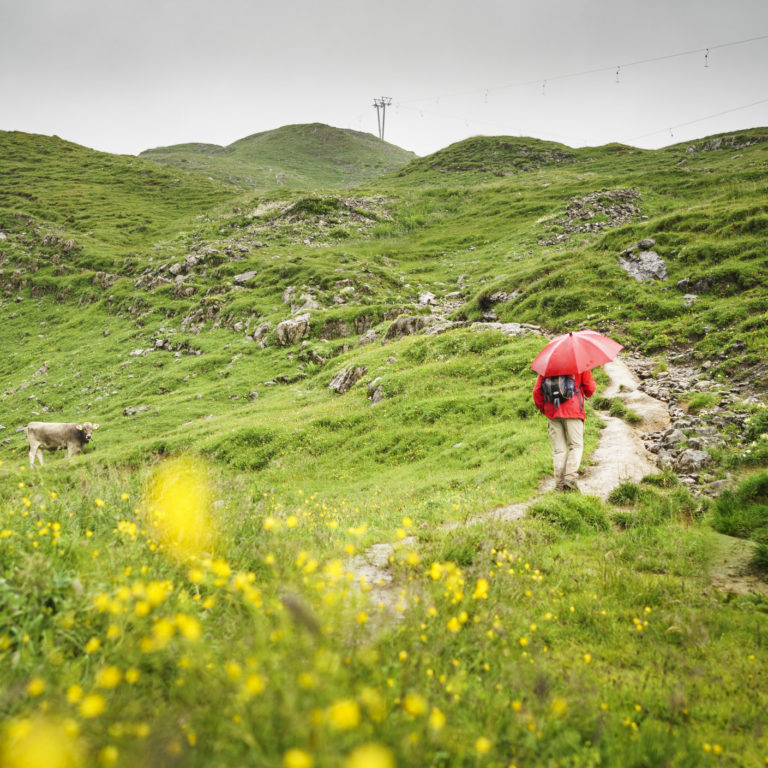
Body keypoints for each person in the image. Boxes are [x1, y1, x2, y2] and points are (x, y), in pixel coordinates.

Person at [532, 370, 596, 492]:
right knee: (576, 445)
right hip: (573, 411)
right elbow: (590, 389)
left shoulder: (548, 368)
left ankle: (559, 485)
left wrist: (544, 409)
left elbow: (536, 392)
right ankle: (570, 478)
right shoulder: (579, 366)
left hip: (552, 413)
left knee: (559, 450)